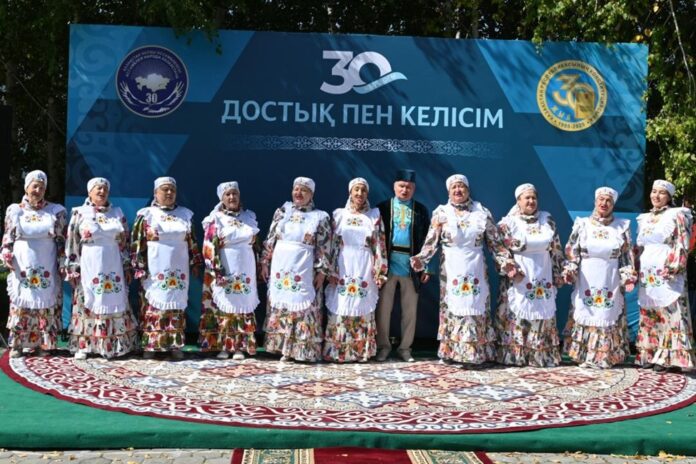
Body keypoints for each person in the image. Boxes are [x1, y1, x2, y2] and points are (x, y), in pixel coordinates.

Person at [410, 175, 514, 365]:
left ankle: (475, 354)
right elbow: (431, 241)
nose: (458, 190)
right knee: (453, 308)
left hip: (475, 266)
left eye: (462, 187)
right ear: (449, 191)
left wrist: (505, 261)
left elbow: (495, 244)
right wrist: (421, 259)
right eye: (454, 187)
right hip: (451, 268)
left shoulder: (482, 212)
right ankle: (452, 353)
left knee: (475, 307)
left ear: (468, 190)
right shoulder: (441, 213)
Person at [562, 187, 636, 368]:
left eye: (608, 201)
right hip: (586, 277)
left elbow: (626, 256)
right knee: (585, 311)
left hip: (610, 278)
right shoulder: (582, 225)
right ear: (595, 202)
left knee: (607, 313)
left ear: (613, 205)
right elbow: (572, 252)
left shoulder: (622, 226)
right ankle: (584, 355)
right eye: (601, 199)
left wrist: (628, 276)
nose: (604, 203)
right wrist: (570, 270)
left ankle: (604, 357)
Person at [65, 177, 138, 359]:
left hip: (113, 263)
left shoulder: (117, 213)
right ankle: (84, 346)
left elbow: (125, 242)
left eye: (105, 189)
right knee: (88, 298)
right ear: (89, 192)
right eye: (97, 188)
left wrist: (127, 266)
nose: (101, 192)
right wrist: (72, 267)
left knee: (112, 299)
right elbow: (72, 242)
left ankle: (112, 346)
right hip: (90, 263)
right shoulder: (79, 213)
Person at [260, 177, 331, 362]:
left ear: (311, 194)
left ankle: (301, 351)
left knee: (304, 306)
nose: (299, 193)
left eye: (304, 190)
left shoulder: (319, 217)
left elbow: (324, 246)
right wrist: (265, 262)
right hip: (281, 266)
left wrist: (322, 271)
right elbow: (271, 238)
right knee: (282, 304)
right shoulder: (282, 212)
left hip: (304, 268)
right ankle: (281, 347)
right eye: (296, 189)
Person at [131, 177, 202, 359]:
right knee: (153, 304)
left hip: (178, 266)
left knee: (176, 303)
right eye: (165, 189)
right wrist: (138, 266)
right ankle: (151, 345)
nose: (169, 193)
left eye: (172, 190)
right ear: (155, 193)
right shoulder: (146, 215)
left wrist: (195, 262)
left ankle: (174, 344)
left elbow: (192, 241)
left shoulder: (185, 215)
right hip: (155, 266)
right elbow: (137, 243)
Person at [496, 183, 564, 367]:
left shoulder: (547, 219)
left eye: (534, 198)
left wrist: (559, 272)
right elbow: (500, 250)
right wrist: (509, 268)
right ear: (518, 201)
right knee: (517, 311)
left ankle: (539, 356)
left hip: (543, 272)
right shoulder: (507, 223)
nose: (531, 201)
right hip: (519, 274)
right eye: (527, 198)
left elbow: (556, 248)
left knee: (541, 311)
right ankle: (515, 356)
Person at [1, 170, 67, 358]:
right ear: (26, 187)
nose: (38, 190)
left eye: (42, 187)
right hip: (23, 262)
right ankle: (18, 344)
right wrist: (6, 254)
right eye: (34, 186)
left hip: (46, 262)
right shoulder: (15, 210)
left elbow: (61, 241)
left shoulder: (55, 212)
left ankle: (44, 345)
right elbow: (8, 237)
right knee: (22, 301)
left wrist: (63, 262)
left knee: (45, 301)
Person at [323, 178, 388, 362]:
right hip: (343, 264)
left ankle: (360, 352)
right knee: (342, 303)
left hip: (364, 265)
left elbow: (379, 245)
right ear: (350, 192)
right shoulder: (339, 215)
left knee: (361, 304)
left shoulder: (374, 215)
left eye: (363, 190)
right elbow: (330, 245)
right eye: (356, 190)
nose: (359, 193)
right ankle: (338, 352)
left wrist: (380, 271)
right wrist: (330, 271)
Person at [635, 180, 696, 372]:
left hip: (667, 271)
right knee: (651, 312)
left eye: (661, 193)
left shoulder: (677, 214)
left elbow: (682, 242)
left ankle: (670, 358)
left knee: (670, 313)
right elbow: (640, 247)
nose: (656, 196)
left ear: (669, 197)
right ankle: (650, 353)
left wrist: (674, 267)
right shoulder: (643, 218)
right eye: (654, 191)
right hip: (648, 273)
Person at [375, 169, 431, 362]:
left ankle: (405, 348)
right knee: (383, 309)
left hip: (411, 266)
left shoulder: (420, 210)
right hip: (388, 265)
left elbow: (428, 241)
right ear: (394, 186)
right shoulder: (382, 208)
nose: (405, 190)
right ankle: (383, 346)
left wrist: (426, 267)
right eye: (401, 186)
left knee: (410, 311)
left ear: (414, 189)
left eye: (409, 187)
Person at [199, 182, 260, 360]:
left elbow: (256, 244)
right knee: (224, 304)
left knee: (242, 304)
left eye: (235, 194)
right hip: (225, 266)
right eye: (228, 194)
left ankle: (240, 346)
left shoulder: (249, 217)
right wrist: (217, 270)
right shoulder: (215, 219)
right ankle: (223, 346)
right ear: (222, 198)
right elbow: (208, 247)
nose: (232, 197)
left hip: (245, 267)